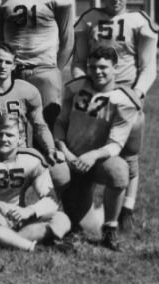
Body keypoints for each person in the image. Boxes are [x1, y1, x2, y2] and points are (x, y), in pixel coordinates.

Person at [72, 0, 159, 231]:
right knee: (87, 147)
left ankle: (127, 209)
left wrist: (137, 94)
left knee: (129, 155)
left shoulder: (139, 20)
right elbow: (78, 62)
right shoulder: (89, 19)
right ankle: (83, 204)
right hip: (94, 94)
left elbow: (148, 67)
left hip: (126, 94)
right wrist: (81, 89)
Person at [52, 46, 140, 251]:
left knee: (119, 170)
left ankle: (110, 228)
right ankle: (51, 220)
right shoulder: (75, 87)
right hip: (71, 158)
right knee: (56, 172)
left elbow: (116, 145)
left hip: (99, 162)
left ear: (115, 68)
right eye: (92, 67)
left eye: (103, 67)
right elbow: (60, 123)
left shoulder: (124, 100)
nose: (97, 72)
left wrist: (92, 155)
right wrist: (64, 151)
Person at [0, 113, 71, 251]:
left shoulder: (32, 159)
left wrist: (28, 211)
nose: (3, 139)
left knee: (62, 219)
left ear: (20, 138)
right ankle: (34, 244)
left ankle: (5, 241)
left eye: (9, 135)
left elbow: (51, 199)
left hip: (19, 218)